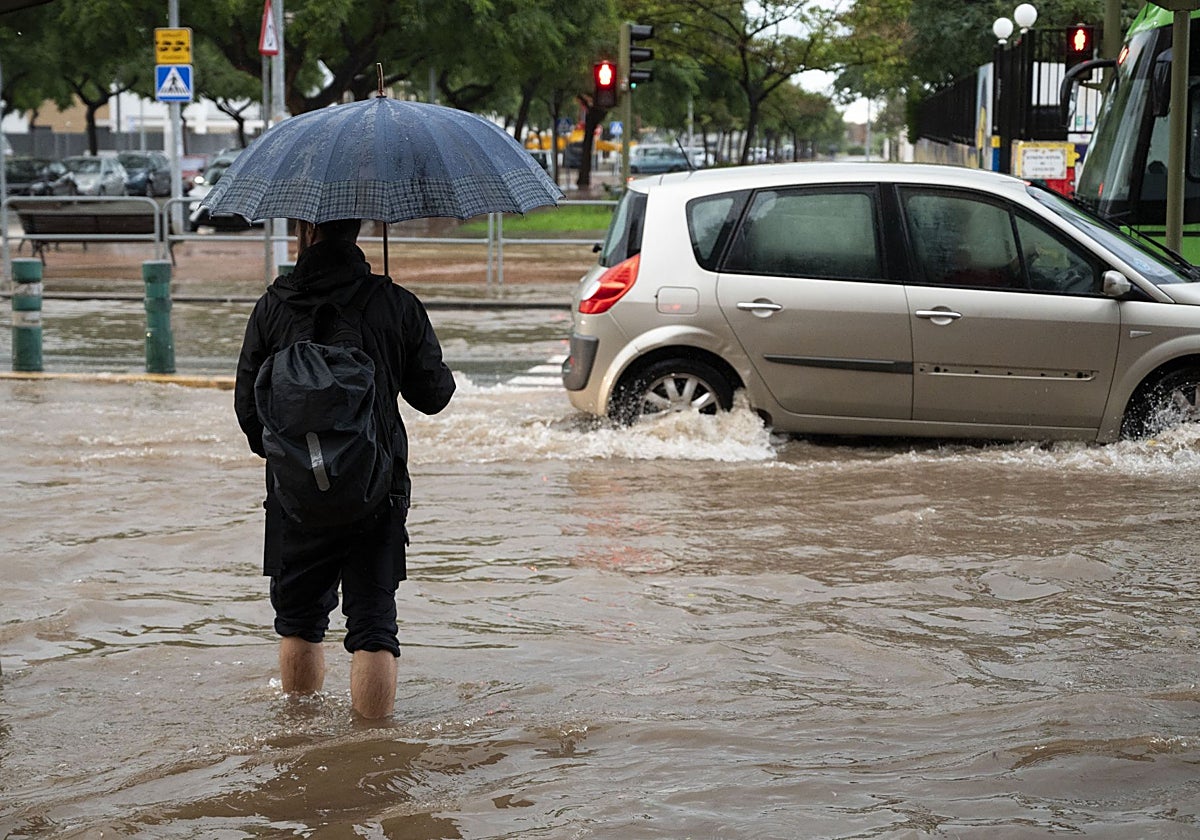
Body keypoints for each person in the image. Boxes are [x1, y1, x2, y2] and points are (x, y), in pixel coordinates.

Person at [234, 218, 456, 719]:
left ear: (304, 228)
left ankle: (299, 736)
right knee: (374, 625)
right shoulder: (394, 303)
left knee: (298, 621)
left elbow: (249, 412)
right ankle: (373, 750)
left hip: (293, 497)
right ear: (359, 227)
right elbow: (434, 397)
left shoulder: (272, 307)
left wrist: (297, 463)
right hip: (377, 490)